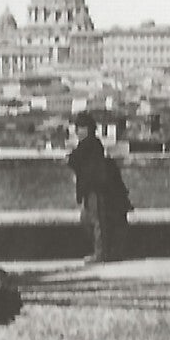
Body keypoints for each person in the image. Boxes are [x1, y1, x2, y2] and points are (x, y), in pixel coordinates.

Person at [66, 112, 132, 263]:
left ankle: (101, 253)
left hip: (95, 189)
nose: (77, 131)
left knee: (96, 222)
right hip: (92, 189)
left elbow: (74, 160)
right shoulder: (91, 144)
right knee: (90, 220)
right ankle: (102, 252)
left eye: (80, 127)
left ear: (88, 129)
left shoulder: (90, 144)